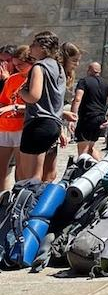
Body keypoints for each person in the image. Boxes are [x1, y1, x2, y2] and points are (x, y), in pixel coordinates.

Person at [17, 31, 66, 182]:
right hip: (54, 125)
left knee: (28, 178)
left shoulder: (39, 66)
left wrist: (21, 92)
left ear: (43, 47)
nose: (30, 47)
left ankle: (28, 198)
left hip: (37, 123)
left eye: (34, 44)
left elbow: (34, 96)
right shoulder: (59, 68)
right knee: (46, 177)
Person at [42, 42, 81, 183]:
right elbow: (49, 103)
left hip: (52, 123)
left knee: (50, 173)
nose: (77, 64)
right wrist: (62, 120)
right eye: (74, 60)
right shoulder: (57, 74)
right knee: (45, 173)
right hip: (45, 124)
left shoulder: (61, 75)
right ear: (65, 58)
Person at [0, 46, 35, 190]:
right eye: (15, 65)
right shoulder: (12, 79)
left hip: (22, 127)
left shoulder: (35, 80)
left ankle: (18, 197)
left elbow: (36, 106)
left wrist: (14, 108)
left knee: (21, 171)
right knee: (1, 169)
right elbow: (4, 100)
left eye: (20, 64)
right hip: (5, 126)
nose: (17, 68)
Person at [70, 62, 108, 160]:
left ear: (89, 70)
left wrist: (72, 116)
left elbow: (78, 99)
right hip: (100, 119)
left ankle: (83, 168)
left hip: (87, 118)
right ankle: (102, 166)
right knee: (90, 148)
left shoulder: (84, 81)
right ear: (99, 71)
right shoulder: (106, 83)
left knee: (83, 151)